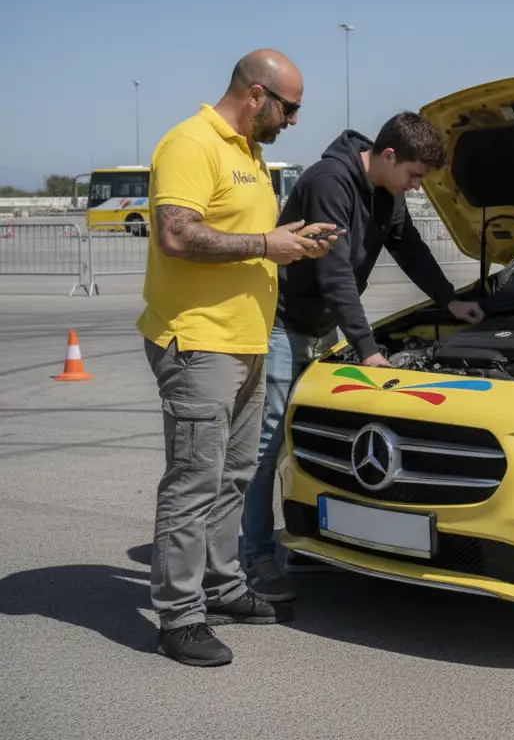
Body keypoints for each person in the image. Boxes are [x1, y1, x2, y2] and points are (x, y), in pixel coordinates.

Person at [138, 49, 339, 668]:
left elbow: (250, 244)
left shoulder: (248, 154)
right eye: (291, 107)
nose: (296, 120)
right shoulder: (191, 143)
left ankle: (222, 588)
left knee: (234, 476)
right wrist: (264, 242)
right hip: (200, 343)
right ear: (257, 94)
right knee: (193, 481)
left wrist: (291, 244)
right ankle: (179, 614)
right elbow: (175, 234)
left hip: (248, 341)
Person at [240, 112, 484, 601]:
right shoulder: (330, 182)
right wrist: (368, 351)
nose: (416, 187)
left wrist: (448, 299)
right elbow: (335, 275)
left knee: (318, 438)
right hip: (286, 325)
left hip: (324, 326)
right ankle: (255, 557)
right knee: (269, 445)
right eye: (414, 176)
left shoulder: (386, 192)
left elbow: (408, 246)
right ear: (388, 156)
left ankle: (312, 540)